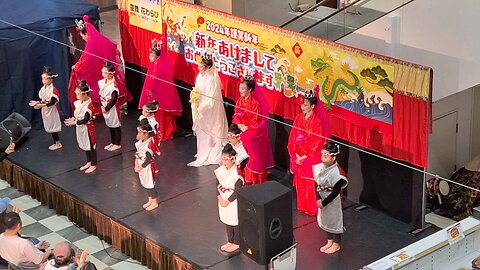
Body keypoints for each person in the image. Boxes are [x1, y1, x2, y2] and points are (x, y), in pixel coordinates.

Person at [68, 15, 131, 115]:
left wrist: (76, 67)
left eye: (83, 36)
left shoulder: (91, 45)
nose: (83, 38)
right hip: (103, 68)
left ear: (86, 34)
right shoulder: (101, 39)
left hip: (99, 70)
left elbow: (85, 60)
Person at [287, 88, 330, 216]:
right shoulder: (299, 117)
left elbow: (317, 142)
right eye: (302, 104)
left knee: (309, 178)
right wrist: (296, 154)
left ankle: (312, 207)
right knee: (300, 180)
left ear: (312, 106)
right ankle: (302, 205)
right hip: (299, 153)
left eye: (306, 105)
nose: (303, 107)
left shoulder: (316, 122)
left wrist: (305, 156)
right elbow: (293, 136)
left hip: (311, 154)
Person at [187, 52, 228, 167]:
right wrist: (194, 100)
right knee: (201, 132)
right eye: (199, 66)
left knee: (210, 130)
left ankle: (211, 153)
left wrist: (201, 107)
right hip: (200, 106)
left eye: (201, 66)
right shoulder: (200, 76)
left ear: (208, 67)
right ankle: (202, 151)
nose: (199, 68)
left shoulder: (211, 80)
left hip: (209, 110)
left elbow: (211, 98)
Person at [232, 74, 274, 184]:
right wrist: (239, 123)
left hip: (254, 130)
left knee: (247, 138)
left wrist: (246, 126)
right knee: (232, 135)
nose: (240, 90)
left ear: (250, 89)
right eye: (240, 88)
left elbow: (256, 120)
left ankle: (253, 175)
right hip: (243, 127)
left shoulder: (255, 103)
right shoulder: (240, 100)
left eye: (243, 88)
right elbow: (236, 114)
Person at [139, 38, 182, 141]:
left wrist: (155, 93)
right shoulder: (153, 64)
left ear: (158, 56)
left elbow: (162, 84)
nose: (150, 57)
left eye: (152, 55)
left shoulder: (161, 66)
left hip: (161, 95)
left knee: (161, 113)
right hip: (153, 94)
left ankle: (163, 132)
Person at [312, 141, 348, 254]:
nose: (323, 156)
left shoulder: (337, 173)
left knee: (334, 220)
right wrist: (318, 198)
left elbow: (336, 191)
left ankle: (336, 243)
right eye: (322, 154)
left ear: (333, 157)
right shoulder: (321, 167)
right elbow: (316, 182)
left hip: (332, 201)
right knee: (325, 219)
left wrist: (324, 202)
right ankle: (330, 240)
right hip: (322, 198)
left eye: (326, 155)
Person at [215, 144, 243, 253]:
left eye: (226, 159)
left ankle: (237, 242)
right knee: (227, 220)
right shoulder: (221, 170)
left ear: (233, 159)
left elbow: (238, 190)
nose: (223, 162)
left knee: (234, 221)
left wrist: (227, 201)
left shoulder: (237, 173)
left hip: (232, 200)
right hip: (222, 198)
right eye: (222, 159)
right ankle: (230, 240)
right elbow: (216, 184)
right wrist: (220, 198)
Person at [64, 80, 97, 174]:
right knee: (85, 145)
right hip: (80, 127)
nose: (77, 96)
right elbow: (77, 115)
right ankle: (89, 161)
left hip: (88, 129)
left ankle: (93, 164)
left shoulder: (88, 106)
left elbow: (85, 119)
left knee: (91, 146)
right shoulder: (78, 103)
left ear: (85, 94)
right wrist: (74, 119)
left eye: (79, 94)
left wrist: (75, 122)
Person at [29, 66, 62, 151]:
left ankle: (57, 142)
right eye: (42, 79)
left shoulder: (53, 90)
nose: (43, 81)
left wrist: (41, 105)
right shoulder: (43, 89)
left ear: (51, 79)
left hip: (52, 110)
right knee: (49, 125)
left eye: (45, 79)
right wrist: (38, 102)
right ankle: (55, 142)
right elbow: (44, 100)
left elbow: (52, 102)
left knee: (53, 126)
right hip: (46, 110)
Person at [135, 119, 158, 211]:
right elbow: (137, 154)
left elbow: (148, 159)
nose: (138, 135)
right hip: (141, 165)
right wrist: (136, 163)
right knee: (145, 184)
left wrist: (141, 167)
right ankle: (150, 200)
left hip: (147, 167)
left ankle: (154, 201)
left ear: (146, 134)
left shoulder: (149, 145)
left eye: (140, 133)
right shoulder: (140, 143)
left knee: (150, 185)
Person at [99, 61, 122, 152]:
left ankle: (117, 143)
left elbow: (113, 99)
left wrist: (106, 108)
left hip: (112, 107)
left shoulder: (114, 86)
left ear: (111, 74)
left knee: (115, 125)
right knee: (110, 125)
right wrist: (101, 106)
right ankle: (113, 141)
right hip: (104, 104)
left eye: (105, 73)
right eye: (102, 72)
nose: (103, 74)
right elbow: (100, 95)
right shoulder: (101, 82)